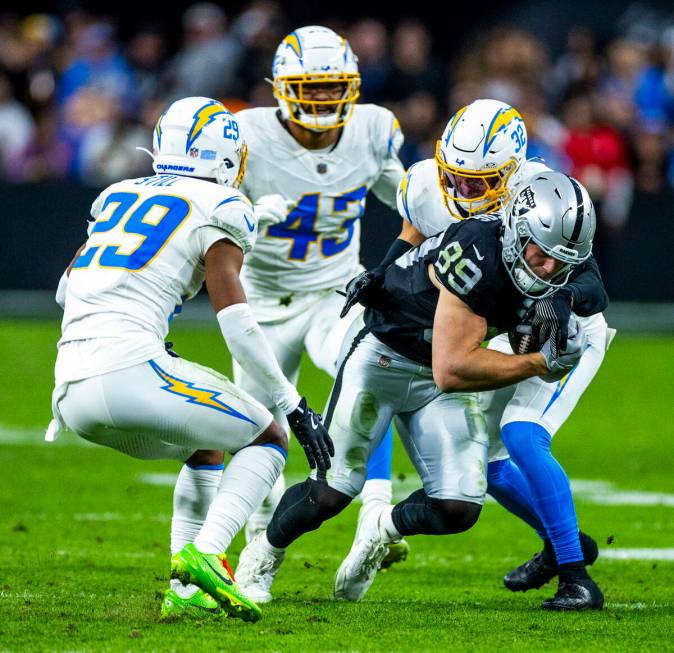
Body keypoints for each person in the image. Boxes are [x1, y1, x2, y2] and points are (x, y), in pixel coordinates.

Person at [235, 171, 595, 605]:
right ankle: (260, 559)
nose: (551, 268)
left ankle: (380, 529)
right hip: (385, 356)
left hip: (442, 373)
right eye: (543, 254)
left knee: (458, 507)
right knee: (331, 491)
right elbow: (453, 368)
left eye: (563, 260)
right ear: (519, 230)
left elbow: (588, 289)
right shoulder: (477, 250)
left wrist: (558, 338)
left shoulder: (552, 254)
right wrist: (539, 361)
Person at [47, 96, 333, 622]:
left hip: (71, 390)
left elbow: (67, 290)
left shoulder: (118, 194)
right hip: (129, 368)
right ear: (224, 157)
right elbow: (237, 324)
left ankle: (183, 590)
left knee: (207, 445)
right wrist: (291, 403)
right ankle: (206, 553)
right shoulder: (223, 206)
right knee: (268, 436)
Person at [351, 99, 610, 610]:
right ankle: (567, 546)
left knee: (520, 434)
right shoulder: (427, 183)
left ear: (513, 170)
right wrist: (380, 275)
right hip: (509, 329)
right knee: (487, 463)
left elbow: (592, 280)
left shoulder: (542, 191)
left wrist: (563, 299)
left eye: (482, 181)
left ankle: (576, 578)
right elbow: (412, 233)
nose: (466, 191)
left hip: (565, 334)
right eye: (458, 177)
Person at [233, 25, 408, 563]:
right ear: (281, 88)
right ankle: (259, 540)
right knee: (257, 429)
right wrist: (245, 219)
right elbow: (204, 215)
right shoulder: (244, 134)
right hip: (260, 301)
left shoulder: (372, 129)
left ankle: (377, 508)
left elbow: (405, 196)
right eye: (311, 86)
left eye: (334, 87)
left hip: (334, 290)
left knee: (370, 368)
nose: (324, 98)